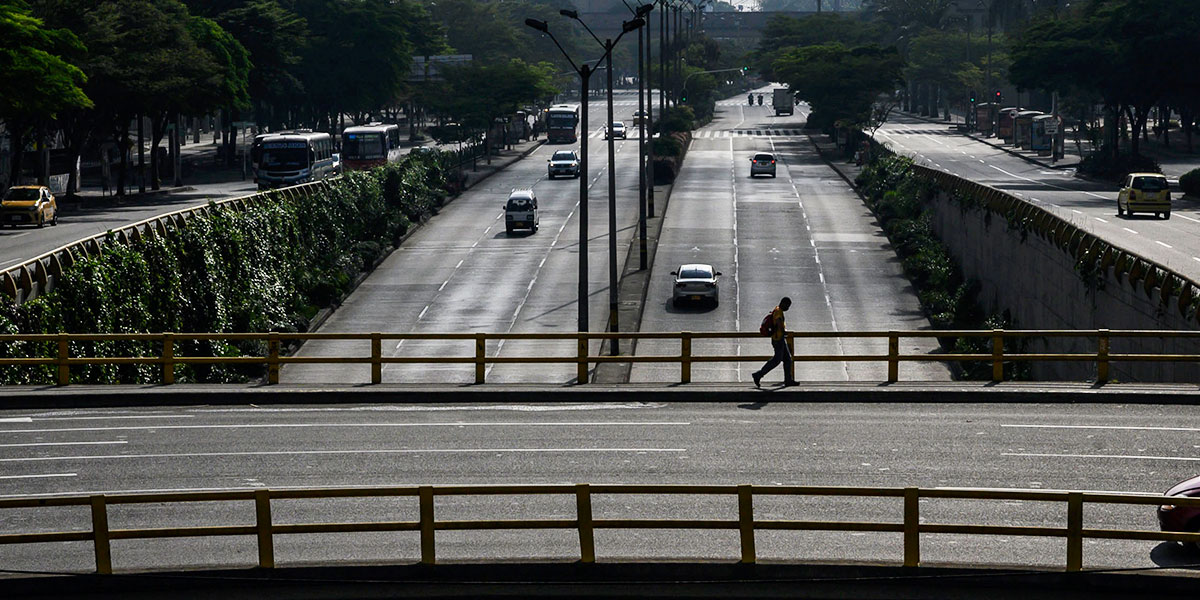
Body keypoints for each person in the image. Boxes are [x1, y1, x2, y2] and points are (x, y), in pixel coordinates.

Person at [752, 297, 797, 388]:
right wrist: (784, 331)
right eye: (787, 306)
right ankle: (758, 375)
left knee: (788, 359)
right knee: (776, 360)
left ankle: (788, 380)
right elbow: (779, 323)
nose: (788, 308)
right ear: (783, 303)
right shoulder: (778, 311)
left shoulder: (777, 310)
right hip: (778, 339)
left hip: (780, 339)